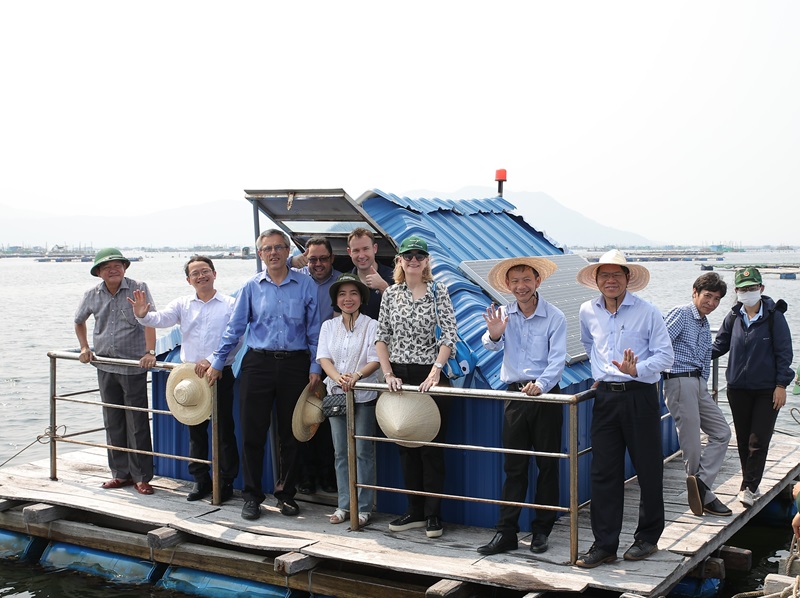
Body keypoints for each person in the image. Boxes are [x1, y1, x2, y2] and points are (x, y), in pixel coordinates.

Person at [207, 229, 322, 521]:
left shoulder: (306, 285)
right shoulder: (251, 287)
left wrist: (315, 368)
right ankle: (252, 496)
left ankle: (286, 495)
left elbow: (314, 330)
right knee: (252, 432)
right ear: (260, 254)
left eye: (278, 248)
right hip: (258, 364)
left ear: (288, 252)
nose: (273, 253)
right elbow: (235, 329)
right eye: (267, 248)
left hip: (296, 365)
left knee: (292, 433)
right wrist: (218, 362)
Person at [575, 249, 674, 568]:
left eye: (617, 274)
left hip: (640, 395)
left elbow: (666, 356)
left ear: (628, 278)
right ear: (596, 280)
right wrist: (601, 373)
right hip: (605, 397)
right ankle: (604, 544)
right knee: (603, 472)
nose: (611, 280)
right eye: (604, 275)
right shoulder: (587, 310)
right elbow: (589, 345)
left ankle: (647, 538)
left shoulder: (648, 311)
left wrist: (637, 369)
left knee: (648, 468)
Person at [130, 255, 240, 503]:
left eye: (205, 271)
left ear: (214, 273)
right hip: (191, 377)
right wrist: (142, 316)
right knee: (196, 432)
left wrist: (214, 360)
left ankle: (226, 482)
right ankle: (201, 481)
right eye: (195, 274)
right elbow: (160, 319)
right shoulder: (183, 303)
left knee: (224, 431)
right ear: (188, 280)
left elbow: (236, 338)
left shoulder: (230, 304)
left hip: (221, 373)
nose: (201, 276)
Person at [477, 257, 567, 556]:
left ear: (537, 281)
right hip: (514, 396)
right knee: (513, 467)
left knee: (547, 466)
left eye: (526, 280)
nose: (520, 286)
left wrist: (540, 385)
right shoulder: (503, 313)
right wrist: (495, 332)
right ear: (507, 285)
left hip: (546, 397)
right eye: (514, 281)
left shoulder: (555, 316)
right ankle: (506, 533)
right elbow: (489, 345)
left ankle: (542, 531)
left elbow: (557, 361)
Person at [376, 235, 457, 539]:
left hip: (430, 376)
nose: (413, 260)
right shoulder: (391, 294)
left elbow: (449, 334)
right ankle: (415, 510)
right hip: (399, 377)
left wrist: (436, 371)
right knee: (405, 445)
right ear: (399, 260)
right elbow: (382, 336)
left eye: (419, 256)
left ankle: (434, 515)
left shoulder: (439, 292)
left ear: (426, 261)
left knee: (431, 449)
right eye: (407, 256)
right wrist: (387, 374)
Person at [74, 248, 158, 496]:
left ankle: (142, 477)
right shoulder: (92, 294)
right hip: (104, 366)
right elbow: (79, 320)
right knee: (113, 421)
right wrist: (84, 347)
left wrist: (150, 352)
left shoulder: (137, 287)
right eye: (107, 266)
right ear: (98, 272)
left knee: (137, 423)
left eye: (118, 265)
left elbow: (150, 320)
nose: (113, 269)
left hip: (133, 366)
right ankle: (120, 474)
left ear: (124, 268)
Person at [712, 267, 793, 508]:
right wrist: (688, 356)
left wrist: (781, 385)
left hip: (766, 389)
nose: (748, 292)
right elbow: (719, 346)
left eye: (752, 288)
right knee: (744, 439)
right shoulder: (733, 317)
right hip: (737, 389)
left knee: (759, 439)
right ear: (736, 292)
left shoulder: (774, 317)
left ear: (761, 289)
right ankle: (750, 484)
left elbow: (784, 353)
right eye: (743, 289)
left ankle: (748, 487)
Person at [663, 272, 733, 517]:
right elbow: (660, 342)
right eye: (707, 296)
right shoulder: (681, 313)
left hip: (698, 383)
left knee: (722, 432)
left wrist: (702, 383)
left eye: (716, 299)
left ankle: (701, 485)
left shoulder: (703, 323)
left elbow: (705, 356)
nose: (711, 303)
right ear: (695, 292)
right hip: (680, 380)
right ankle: (704, 494)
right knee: (691, 441)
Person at [317, 273, 380, 525]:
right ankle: (344, 505)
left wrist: (355, 376)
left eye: (353, 293)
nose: (348, 298)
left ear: (361, 298)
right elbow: (323, 358)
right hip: (337, 395)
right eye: (342, 294)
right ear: (336, 299)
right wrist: (339, 379)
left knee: (364, 451)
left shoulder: (371, 324)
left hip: (363, 394)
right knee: (341, 452)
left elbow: (376, 359)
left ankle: (364, 508)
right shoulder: (328, 326)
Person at [291, 236, 340, 495]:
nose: (318, 264)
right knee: (303, 419)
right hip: (303, 359)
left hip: (334, 361)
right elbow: (268, 269)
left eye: (323, 258)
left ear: (332, 258)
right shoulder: (296, 278)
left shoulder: (343, 283)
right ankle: (305, 477)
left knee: (329, 421)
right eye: (312, 259)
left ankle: (328, 477)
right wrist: (290, 259)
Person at [347, 227, 394, 320]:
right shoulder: (344, 281)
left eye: (365, 249)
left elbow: (403, 313)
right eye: (356, 250)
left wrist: (383, 287)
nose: (361, 255)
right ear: (349, 252)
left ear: (375, 248)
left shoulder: (394, 276)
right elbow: (337, 316)